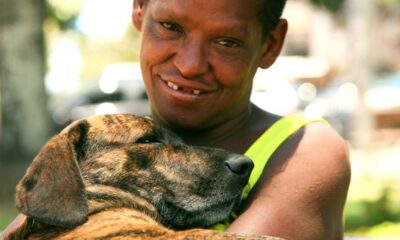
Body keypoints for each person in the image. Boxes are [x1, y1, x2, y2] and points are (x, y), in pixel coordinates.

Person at [1, 0, 351, 239]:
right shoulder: (112, 149)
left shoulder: (306, 151)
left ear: (270, 44)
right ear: (140, 9)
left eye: (227, 42)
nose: (190, 64)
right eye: (170, 26)